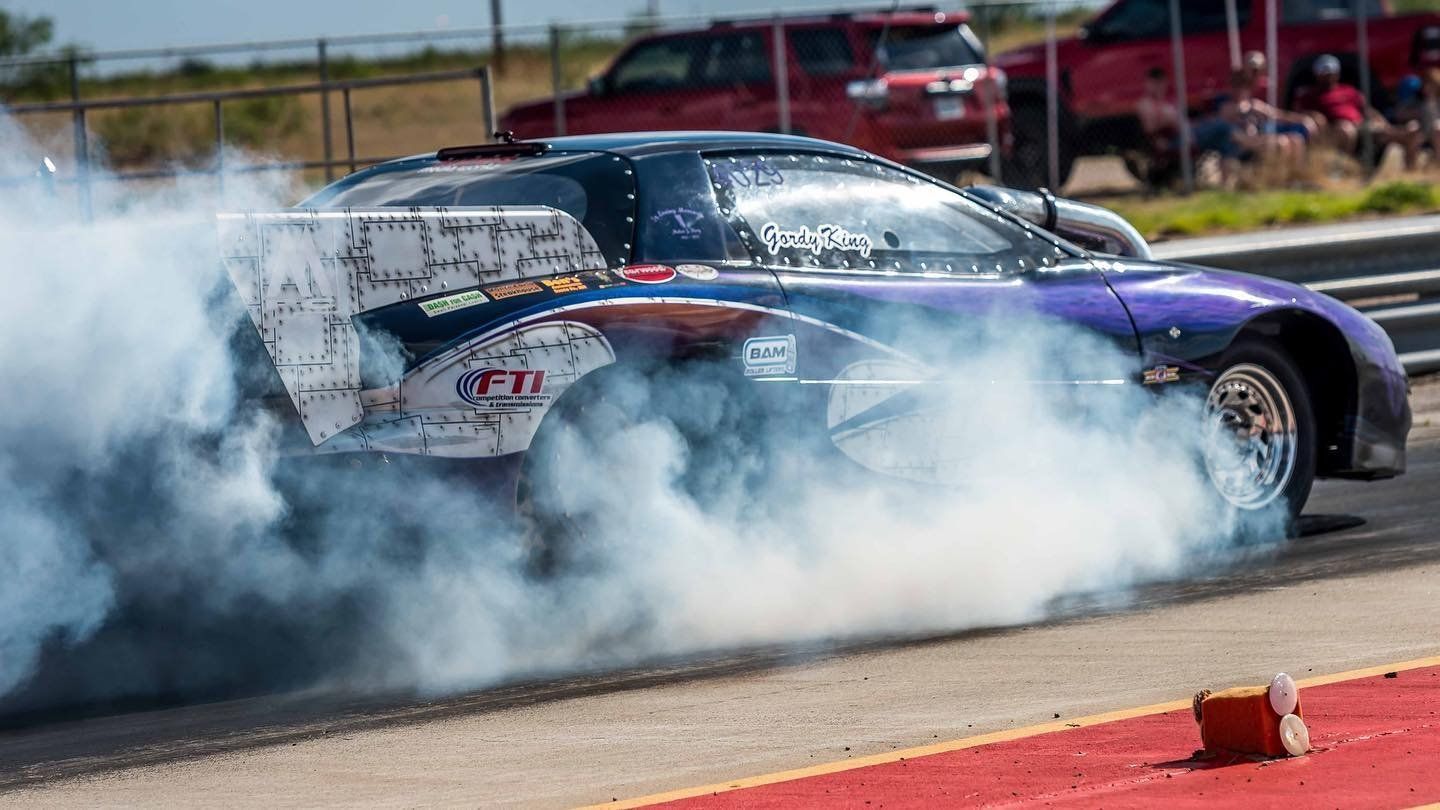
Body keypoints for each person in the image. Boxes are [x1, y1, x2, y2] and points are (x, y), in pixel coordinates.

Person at [1293, 54, 1421, 169]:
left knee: (1406, 132)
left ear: (1337, 74)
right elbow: (1300, 113)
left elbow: (1367, 110)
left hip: (1361, 125)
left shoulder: (1349, 91)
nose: (1329, 77)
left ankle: (1411, 169)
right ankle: (1346, 169)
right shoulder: (1310, 95)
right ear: (1317, 75)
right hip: (1336, 129)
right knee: (1346, 129)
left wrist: (1381, 121)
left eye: (1331, 73)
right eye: (1325, 74)